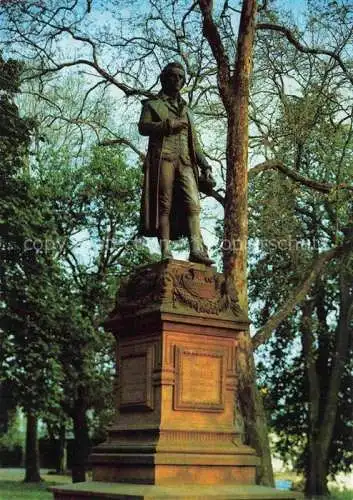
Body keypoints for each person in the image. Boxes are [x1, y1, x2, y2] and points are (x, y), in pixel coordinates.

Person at [138, 62, 216, 266]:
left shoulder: (187, 111)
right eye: (173, 76)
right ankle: (165, 250)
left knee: (194, 204)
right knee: (164, 204)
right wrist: (168, 125)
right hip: (163, 157)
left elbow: (194, 142)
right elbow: (143, 127)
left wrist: (205, 165)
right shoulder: (152, 105)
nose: (178, 80)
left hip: (186, 161)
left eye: (181, 77)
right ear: (164, 78)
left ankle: (196, 249)